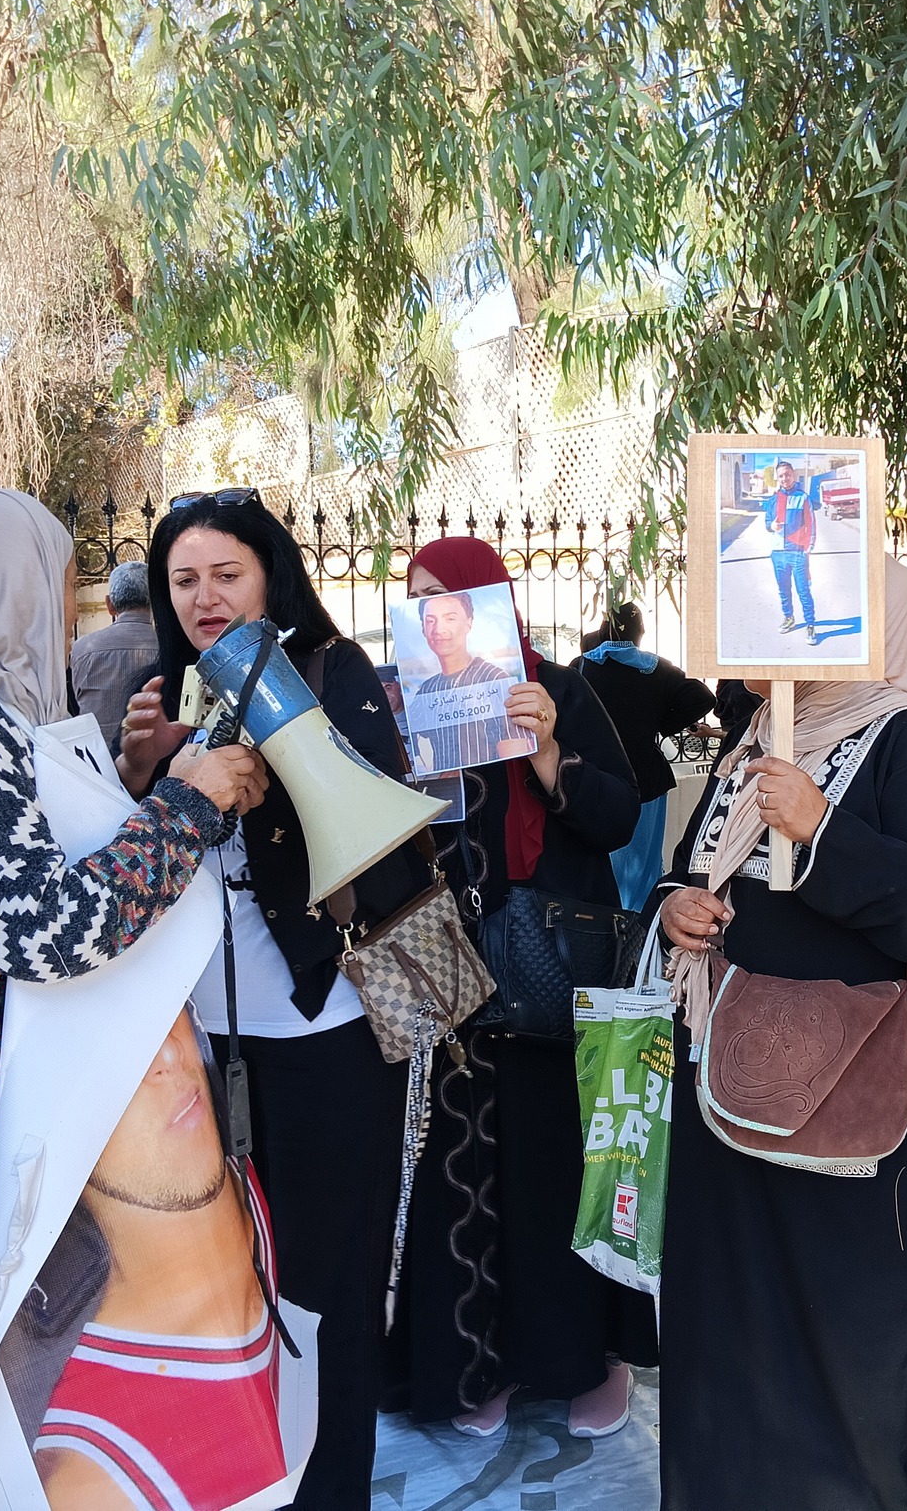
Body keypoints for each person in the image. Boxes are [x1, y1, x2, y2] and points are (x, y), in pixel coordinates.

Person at [0, 487, 261, 1436]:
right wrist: (187, 802)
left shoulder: (6, 711)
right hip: (23, 1102)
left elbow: (61, 861)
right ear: (7, 585)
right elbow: (47, 929)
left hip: (72, 1090)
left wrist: (136, 781)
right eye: (57, 579)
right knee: (43, 1385)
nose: (70, 604)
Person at [652, 557, 907, 1511]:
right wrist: (675, 906)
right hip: (731, 1069)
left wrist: (823, 830)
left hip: (856, 1083)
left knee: (851, 1340)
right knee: (733, 1320)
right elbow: (692, 867)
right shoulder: (757, 734)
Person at [114, 489, 428, 1511]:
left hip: (327, 1032)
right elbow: (131, 865)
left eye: (226, 574)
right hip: (201, 1045)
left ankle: (329, 1489)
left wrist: (273, 756)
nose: (204, 597)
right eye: (183, 580)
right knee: (231, 1278)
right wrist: (143, 773)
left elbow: (383, 843)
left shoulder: (334, 672)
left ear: (270, 577)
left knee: (328, 1286)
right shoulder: (164, 697)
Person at [389, 535, 657, 1440]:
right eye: (416, 598)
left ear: (486, 603)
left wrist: (547, 754)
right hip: (452, 973)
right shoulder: (407, 703)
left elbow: (618, 814)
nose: (431, 615)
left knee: (559, 1166)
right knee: (470, 1170)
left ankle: (591, 1359)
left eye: (446, 595)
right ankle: (484, 1361)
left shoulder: (555, 689)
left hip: (548, 975)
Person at [10, 1011, 295, 1511]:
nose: (168, 1054)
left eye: (168, 1010)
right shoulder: (95, 1479)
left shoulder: (243, 1195)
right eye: (107, 1051)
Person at [578, 603, 717, 910]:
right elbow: (703, 697)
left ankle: (603, 923)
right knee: (643, 862)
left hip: (596, 778)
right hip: (646, 778)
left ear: (603, 631)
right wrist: (662, 724)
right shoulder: (656, 669)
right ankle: (639, 926)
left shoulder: (582, 667)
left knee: (602, 860)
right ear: (640, 631)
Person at [412, 590, 528, 771]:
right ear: (423, 629)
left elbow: (517, 759)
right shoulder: (428, 689)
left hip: (489, 787)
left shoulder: (496, 680)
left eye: (450, 619)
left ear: (469, 623)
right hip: (446, 788)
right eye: (430, 621)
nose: (439, 629)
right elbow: (405, 736)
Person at [70, 560, 163, 753]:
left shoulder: (82, 648)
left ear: (110, 605)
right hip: (150, 756)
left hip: (93, 755)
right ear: (156, 601)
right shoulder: (168, 647)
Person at [763, 460, 823, 639]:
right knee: (784, 590)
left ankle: (810, 624)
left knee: (803, 591)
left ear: (793, 475)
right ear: (777, 478)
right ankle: (789, 618)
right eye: (781, 476)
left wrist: (808, 548)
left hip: (797, 552)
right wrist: (772, 526)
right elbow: (767, 523)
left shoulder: (803, 497)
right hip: (778, 553)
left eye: (787, 474)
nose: (785, 478)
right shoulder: (773, 500)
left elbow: (811, 524)